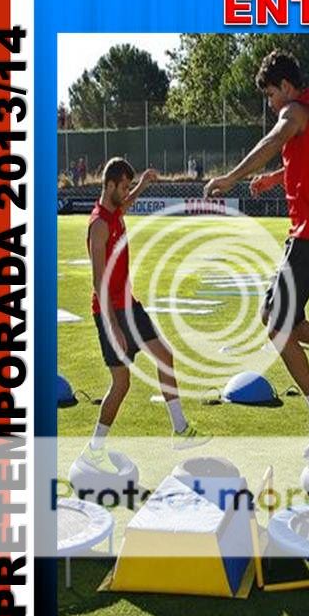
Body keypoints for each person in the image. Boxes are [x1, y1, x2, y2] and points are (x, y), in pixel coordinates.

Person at [203, 49, 309, 458]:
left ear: (287, 87)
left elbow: (275, 140)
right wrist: (274, 179)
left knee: (276, 324)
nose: (271, 104)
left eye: (272, 94)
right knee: (277, 318)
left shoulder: (294, 111)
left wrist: (232, 177)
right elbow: (305, 156)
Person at [80, 158, 210, 471]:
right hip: (111, 311)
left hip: (130, 305)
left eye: (128, 187)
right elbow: (99, 280)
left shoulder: (116, 209)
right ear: (110, 185)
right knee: (121, 384)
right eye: (123, 187)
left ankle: (180, 429)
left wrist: (143, 184)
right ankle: (93, 449)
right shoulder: (99, 224)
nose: (127, 193)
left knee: (165, 355)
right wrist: (113, 327)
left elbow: (128, 201)